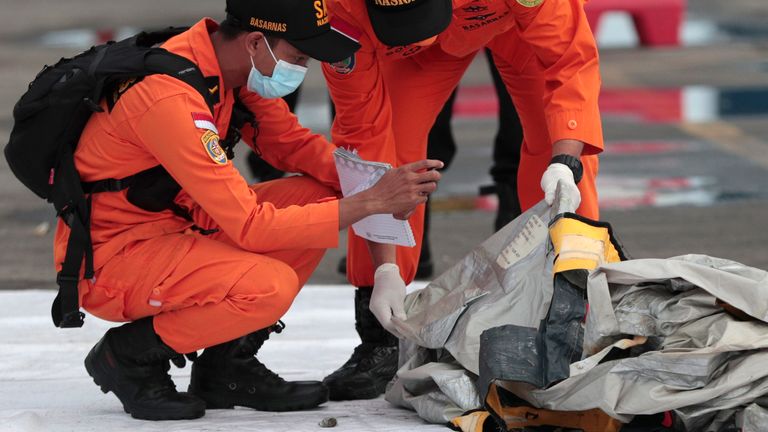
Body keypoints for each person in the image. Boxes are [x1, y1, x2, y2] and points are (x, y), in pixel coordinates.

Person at [57, 0, 443, 421]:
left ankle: (227, 365)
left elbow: (296, 146)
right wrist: (371, 201)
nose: (303, 69)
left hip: (175, 228)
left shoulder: (226, 69)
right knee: (268, 287)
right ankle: (127, 355)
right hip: (114, 261)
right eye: (298, 58)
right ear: (257, 42)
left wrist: (374, 195)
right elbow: (250, 226)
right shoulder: (168, 96)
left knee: (316, 196)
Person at [321, 0, 603, 401]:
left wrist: (565, 160)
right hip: (407, 46)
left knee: (556, 150)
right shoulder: (342, 9)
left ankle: (575, 312)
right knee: (392, 146)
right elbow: (363, 132)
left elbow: (569, 58)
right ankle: (380, 335)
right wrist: (383, 269)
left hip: (513, 23)